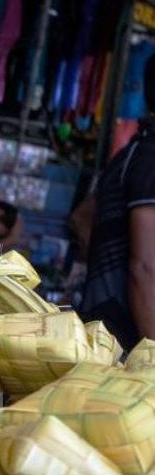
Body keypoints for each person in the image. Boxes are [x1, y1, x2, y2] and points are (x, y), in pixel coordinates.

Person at [79, 55, 155, 352]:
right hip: (126, 338)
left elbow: (82, 217)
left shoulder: (134, 153)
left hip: (111, 323)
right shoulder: (149, 159)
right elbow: (146, 267)